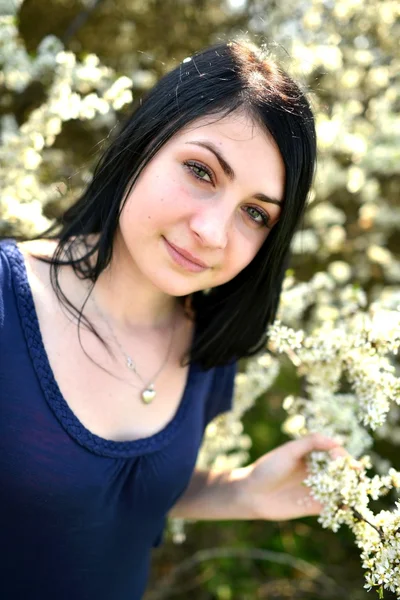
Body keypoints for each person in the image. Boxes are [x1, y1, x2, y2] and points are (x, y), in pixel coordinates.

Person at [0, 40, 345, 599]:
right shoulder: (7, 304)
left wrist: (242, 493)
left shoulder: (208, 346)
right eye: (201, 171)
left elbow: (107, 501)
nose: (212, 230)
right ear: (145, 142)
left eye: (255, 213)